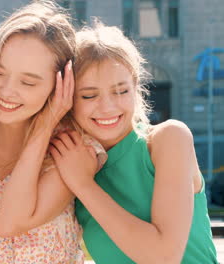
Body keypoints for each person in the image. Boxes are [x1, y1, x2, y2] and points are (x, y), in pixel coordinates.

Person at [50, 22, 218, 263]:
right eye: (89, 95)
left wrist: (83, 185)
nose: (108, 107)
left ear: (136, 89)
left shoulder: (169, 139)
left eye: (121, 91)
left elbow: (164, 257)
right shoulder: (72, 158)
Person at [0, 1, 106, 263]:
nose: (7, 90)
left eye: (28, 82)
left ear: (61, 85)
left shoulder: (74, 149)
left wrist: (46, 124)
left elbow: (10, 223)